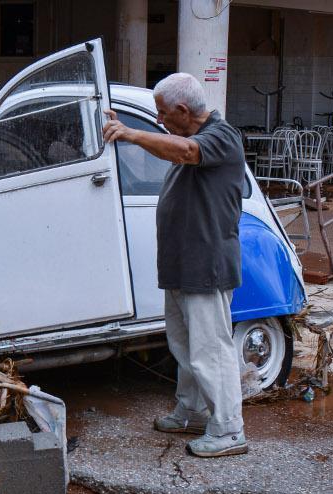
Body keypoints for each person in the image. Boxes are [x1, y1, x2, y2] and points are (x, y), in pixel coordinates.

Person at [102, 72, 247, 457]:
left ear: (184, 110)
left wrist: (130, 133)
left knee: (211, 348)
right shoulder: (190, 137)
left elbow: (183, 151)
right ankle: (194, 411)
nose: (160, 120)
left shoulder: (221, 136)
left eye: (163, 114)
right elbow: (173, 146)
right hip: (183, 264)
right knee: (185, 346)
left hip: (207, 264)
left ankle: (229, 429)